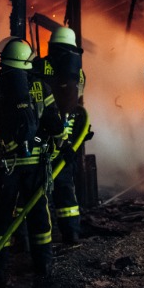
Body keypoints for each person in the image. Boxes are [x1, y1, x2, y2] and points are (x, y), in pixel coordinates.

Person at [0, 37, 65, 285]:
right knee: (39, 215)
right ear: (25, 61)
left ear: (4, 60)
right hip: (34, 166)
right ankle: (43, 266)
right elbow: (54, 123)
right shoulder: (42, 88)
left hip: (5, 166)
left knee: (0, 217)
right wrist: (61, 144)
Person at [34, 26, 87, 245]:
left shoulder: (37, 65)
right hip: (68, 132)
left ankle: (32, 236)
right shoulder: (79, 73)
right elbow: (78, 102)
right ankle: (71, 233)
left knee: (37, 184)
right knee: (65, 183)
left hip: (42, 132)